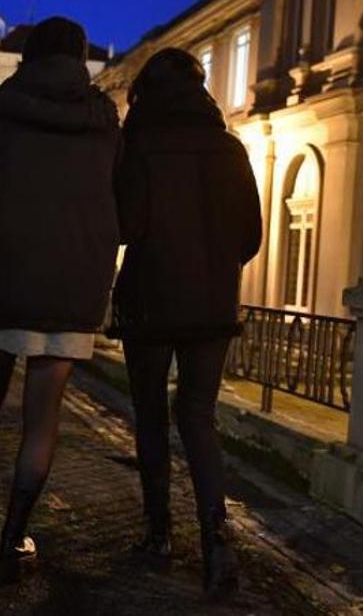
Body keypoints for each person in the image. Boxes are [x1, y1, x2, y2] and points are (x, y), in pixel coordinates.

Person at [0, 16, 122, 572]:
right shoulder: (103, 120)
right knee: (43, 419)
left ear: (30, 56)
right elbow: (118, 196)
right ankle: (13, 540)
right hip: (71, 284)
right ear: (81, 58)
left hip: (1, 271)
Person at [107, 48, 262, 601]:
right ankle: (217, 540)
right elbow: (250, 237)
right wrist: (213, 264)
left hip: (150, 300)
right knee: (198, 415)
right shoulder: (231, 150)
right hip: (213, 305)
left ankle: (159, 535)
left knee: (150, 414)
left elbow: (125, 226)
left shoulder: (140, 147)